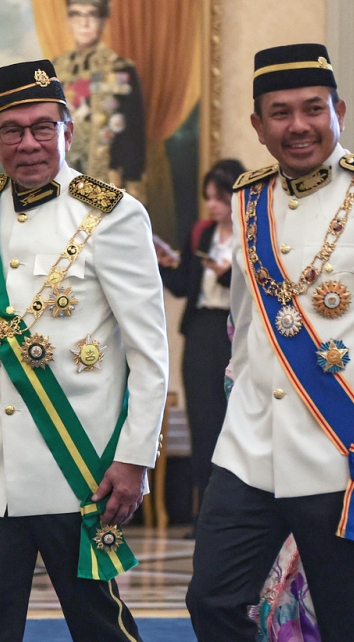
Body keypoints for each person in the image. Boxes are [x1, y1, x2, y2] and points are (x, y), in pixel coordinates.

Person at [186, 43, 354, 642]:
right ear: (258, 124)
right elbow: (246, 325)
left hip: (341, 450)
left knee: (348, 623)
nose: (297, 125)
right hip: (249, 449)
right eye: (279, 112)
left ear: (339, 110)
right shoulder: (247, 198)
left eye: (312, 108)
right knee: (212, 601)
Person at [0, 59, 169, 642]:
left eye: (43, 127)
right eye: (12, 130)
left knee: (101, 629)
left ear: (68, 131)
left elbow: (150, 351)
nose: (29, 143)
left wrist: (135, 457)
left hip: (80, 465)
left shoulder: (113, 214)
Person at [154, 158, 245, 532]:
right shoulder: (202, 233)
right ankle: (204, 509)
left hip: (236, 331)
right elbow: (185, 287)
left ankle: (237, 510)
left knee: (234, 418)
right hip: (201, 330)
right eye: (208, 198)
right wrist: (162, 264)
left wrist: (227, 279)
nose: (213, 205)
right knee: (203, 420)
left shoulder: (251, 231)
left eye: (219, 198)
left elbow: (256, 288)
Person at [52, 0, 146, 201]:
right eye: (76, 15)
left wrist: (133, 185)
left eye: (92, 15)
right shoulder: (55, 70)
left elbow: (133, 135)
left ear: (104, 19)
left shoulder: (119, 69)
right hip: (60, 179)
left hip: (106, 180)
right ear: (68, 20)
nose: (84, 23)